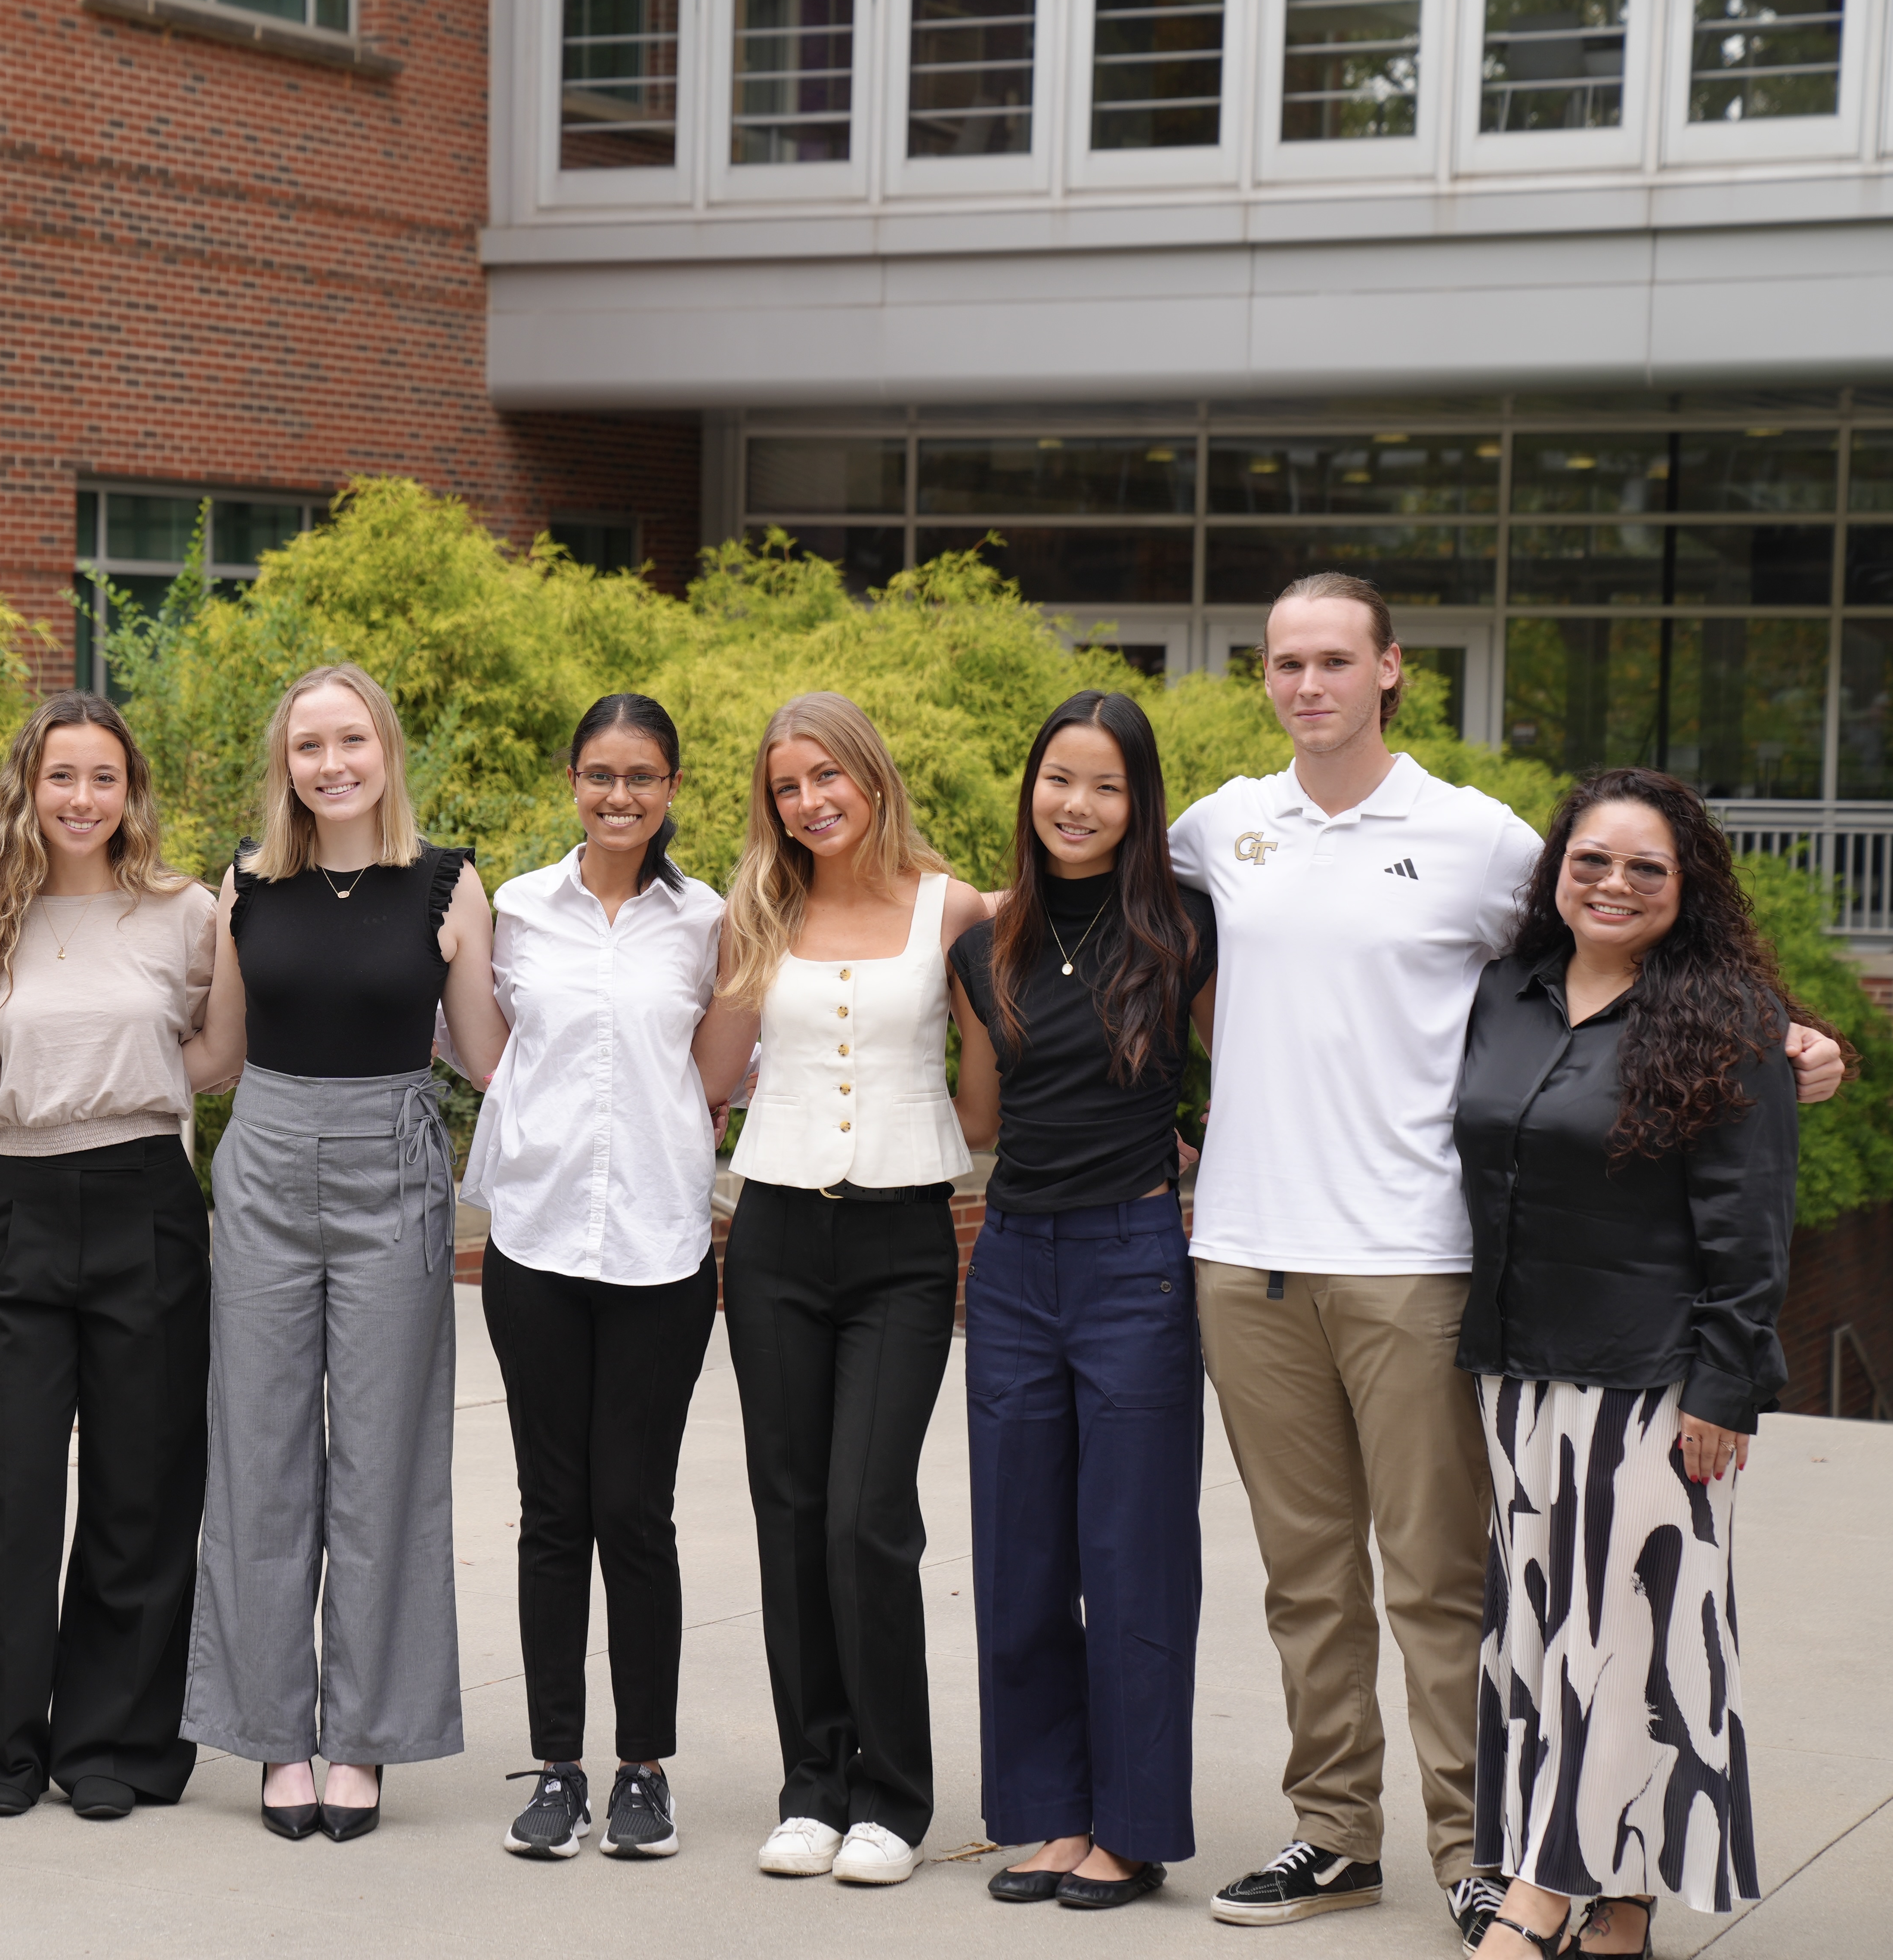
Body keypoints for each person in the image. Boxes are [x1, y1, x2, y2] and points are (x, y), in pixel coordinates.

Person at [1169, 573, 1843, 1944]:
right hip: (1243, 1258)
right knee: (1304, 1580)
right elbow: (1069, 887)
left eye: (1333, 661)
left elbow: (1630, 919)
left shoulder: (1477, 839)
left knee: (1441, 1586)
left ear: (1389, 671)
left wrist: (1780, 1034)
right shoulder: (1221, 825)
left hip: (1413, 1261)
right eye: (1283, 662)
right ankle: (1332, 1836)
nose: (1307, 685)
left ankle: (1486, 1853)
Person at [1455, 770, 1825, 1960]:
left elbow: (1751, 1217)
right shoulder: (1505, 994)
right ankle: (1622, 1898)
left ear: (1686, 887)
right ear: (1555, 868)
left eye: (1643, 868)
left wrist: (1727, 1386)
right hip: (1517, 1371)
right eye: (1589, 861)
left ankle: (1541, 1894)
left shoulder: (1728, 1019)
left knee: (1612, 1648)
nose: (1611, 883)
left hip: (1650, 1385)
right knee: (1537, 1638)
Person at [179, 661, 508, 1842]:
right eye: (308, 746)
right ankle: (274, 1733)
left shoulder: (448, 883)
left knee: (383, 1466)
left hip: (395, 1169)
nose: (331, 764)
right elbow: (212, 1055)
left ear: (385, 753)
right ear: (286, 764)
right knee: (260, 1457)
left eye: (350, 742)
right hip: (264, 1157)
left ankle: (364, 1736)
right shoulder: (246, 887)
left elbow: (483, 1056)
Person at [694, 690, 992, 1887]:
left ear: (871, 777)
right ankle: (811, 1784)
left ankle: (891, 1795)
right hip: (770, 1237)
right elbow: (710, 1078)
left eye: (828, 778)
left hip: (902, 1244)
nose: (809, 802)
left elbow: (983, 1100)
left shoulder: (955, 906)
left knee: (867, 1515)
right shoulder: (756, 912)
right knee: (789, 1509)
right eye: (786, 787)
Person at [945, 690, 1214, 1911]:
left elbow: (1253, 1069)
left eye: (1106, 786)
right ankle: (1046, 1810)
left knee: (1134, 1551)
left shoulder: (1184, 931)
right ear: (1030, 787)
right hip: (1008, 1266)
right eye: (1060, 778)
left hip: (1133, 1262)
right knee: (1017, 1549)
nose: (1077, 805)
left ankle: (1133, 1821)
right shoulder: (982, 943)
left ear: (1138, 803)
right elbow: (978, 1118)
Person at [0, 692, 223, 1823]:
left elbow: (218, 1043)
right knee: (12, 1489)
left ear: (130, 792)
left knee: (139, 1490)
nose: (81, 798)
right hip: (13, 1192)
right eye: (62, 776)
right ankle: (2, 1745)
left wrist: (126, 1089)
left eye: (103, 777)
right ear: (28, 786)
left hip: (144, 1195)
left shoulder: (186, 913)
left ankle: (115, 1743)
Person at [464, 694, 726, 1862]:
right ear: (571, 780)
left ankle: (643, 1770)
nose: (619, 796)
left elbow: (721, 1073)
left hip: (661, 1252)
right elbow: (474, 1049)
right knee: (552, 1513)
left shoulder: (707, 921)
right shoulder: (515, 910)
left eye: (643, 777)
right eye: (600, 775)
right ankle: (558, 1767)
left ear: (672, 788)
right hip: (533, 1244)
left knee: (637, 1511)